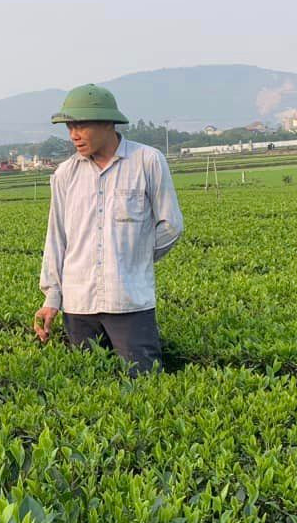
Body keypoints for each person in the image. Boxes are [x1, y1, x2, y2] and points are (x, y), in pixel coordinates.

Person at [33, 84, 184, 374]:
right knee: (90, 388)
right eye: (69, 127)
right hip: (78, 305)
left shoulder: (147, 161)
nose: (74, 134)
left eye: (81, 125)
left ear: (107, 123)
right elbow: (56, 238)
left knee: (143, 383)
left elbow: (171, 225)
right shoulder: (65, 174)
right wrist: (52, 298)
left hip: (128, 302)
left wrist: (133, 260)